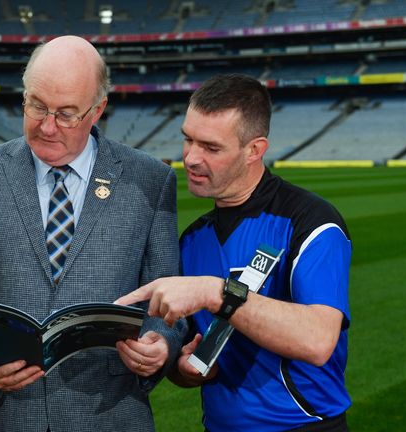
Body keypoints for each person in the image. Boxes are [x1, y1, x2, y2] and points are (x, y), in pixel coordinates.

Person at [0, 35, 185, 431]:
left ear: (97, 110)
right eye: (36, 105)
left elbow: (168, 295)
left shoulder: (151, 180)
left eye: (66, 114)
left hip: (109, 416)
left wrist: (160, 343)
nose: (46, 126)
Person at [116, 74, 352, 431]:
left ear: (254, 150)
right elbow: (191, 355)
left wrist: (216, 292)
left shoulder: (310, 221)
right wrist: (180, 366)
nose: (190, 158)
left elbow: (318, 340)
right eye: (188, 139)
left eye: (211, 148)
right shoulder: (194, 239)